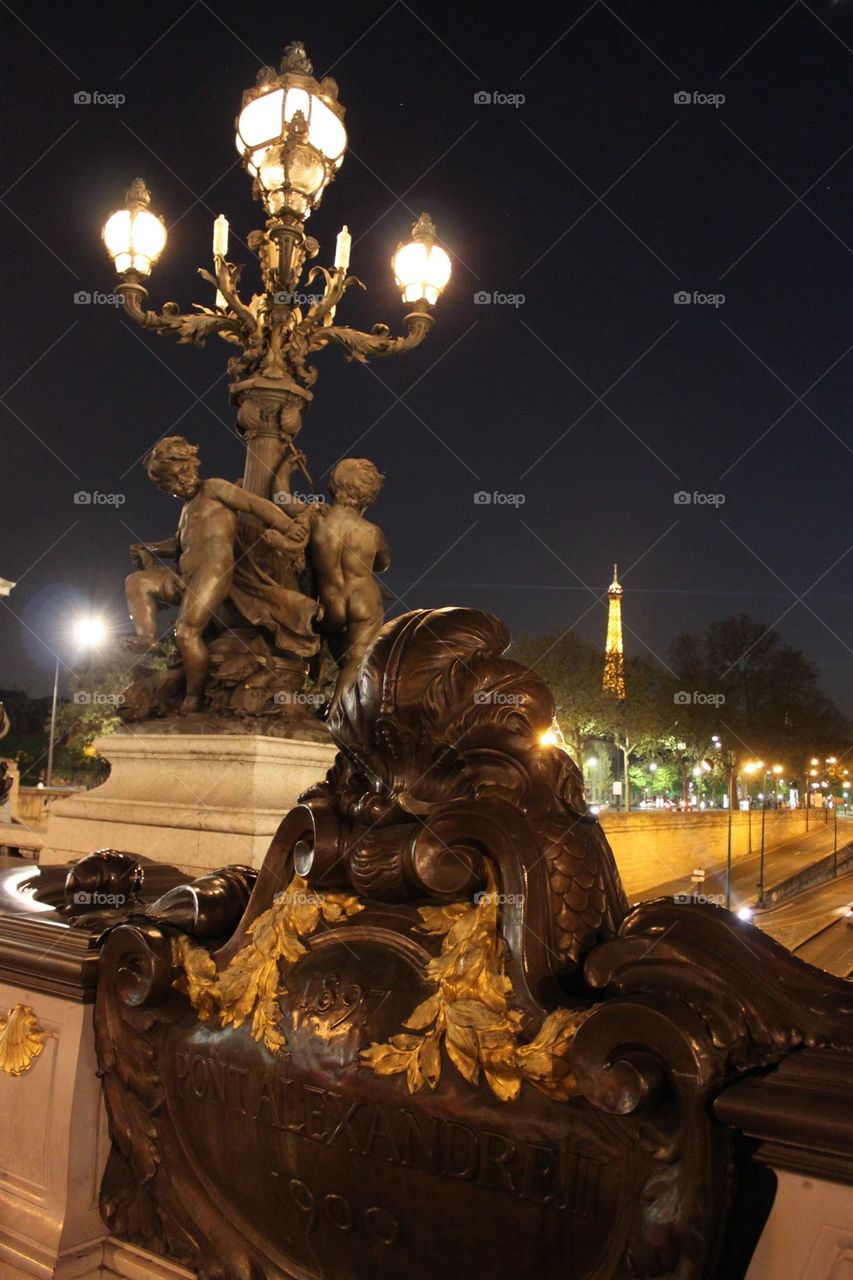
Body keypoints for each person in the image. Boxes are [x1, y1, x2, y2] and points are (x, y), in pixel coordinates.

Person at [126, 436, 318, 714]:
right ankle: (148, 637)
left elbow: (255, 505)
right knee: (136, 581)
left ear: (194, 463)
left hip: (214, 571)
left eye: (185, 471)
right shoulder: (186, 510)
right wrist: (149, 547)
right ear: (164, 487)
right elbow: (180, 544)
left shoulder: (214, 488)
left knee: (187, 634)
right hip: (185, 574)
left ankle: (194, 697)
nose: (182, 482)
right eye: (172, 481)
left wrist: (288, 526)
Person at [266, 457, 389, 705]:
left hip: (329, 604)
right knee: (356, 661)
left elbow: (280, 495)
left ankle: (339, 706)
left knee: (343, 659)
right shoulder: (373, 532)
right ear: (369, 496)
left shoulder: (316, 517)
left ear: (335, 485)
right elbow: (383, 564)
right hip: (364, 601)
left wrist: (287, 466)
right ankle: (337, 716)